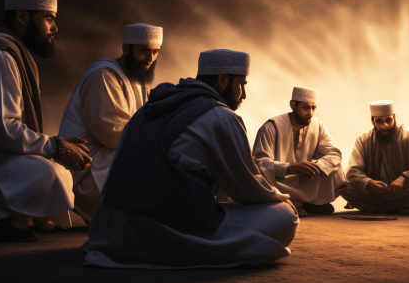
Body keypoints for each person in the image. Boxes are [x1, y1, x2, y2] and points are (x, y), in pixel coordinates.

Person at [83, 49, 298, 269]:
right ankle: (186, 249)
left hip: (113, 232)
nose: (244, 95)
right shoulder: (221, 116)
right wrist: (280, 197)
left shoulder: (149, 108)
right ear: (223, 79)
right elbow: (246, 189)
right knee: (284, 216)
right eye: (242, 85)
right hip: (161, 233)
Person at [0, 0, 91, 242]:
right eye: (49, 18)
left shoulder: (9, 51)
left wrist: (57, 147)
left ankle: (10, 216)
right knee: (50, 174)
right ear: (22, 16)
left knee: (53, 166)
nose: (55, 27)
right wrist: (56, 146)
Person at [59, 23, 163, 222]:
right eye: (144, 51)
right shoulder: (104, 75)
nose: (150, 58)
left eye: (155, 52)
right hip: (86, 171)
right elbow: (114, 136)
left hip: (106, 162)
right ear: (126, 49)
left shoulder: (137, 78)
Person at [253, 86, 345, 216]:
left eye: (313, 108)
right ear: (293, 105)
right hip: (282, 180)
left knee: (337, 169)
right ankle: (303, 205)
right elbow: (260, 163)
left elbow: (335, 154)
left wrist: (315, 168)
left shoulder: (318, 126)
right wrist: (290, 168)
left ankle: (301, 205)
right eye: (306, 107)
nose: (311, 113)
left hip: (305, 179)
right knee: (258, 179)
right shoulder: (271, 127)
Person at [341, 100, 409, 213]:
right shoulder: (363, 140)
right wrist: (369, 183)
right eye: (379, 121)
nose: (384, 126)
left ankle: (376, 205)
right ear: (372, 121)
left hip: (404, 191)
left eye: (388, 120)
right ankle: (398, 205)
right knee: (342, 185)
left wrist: (402, 179)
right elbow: (352, 171)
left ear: (394, 118)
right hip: (373, 192)